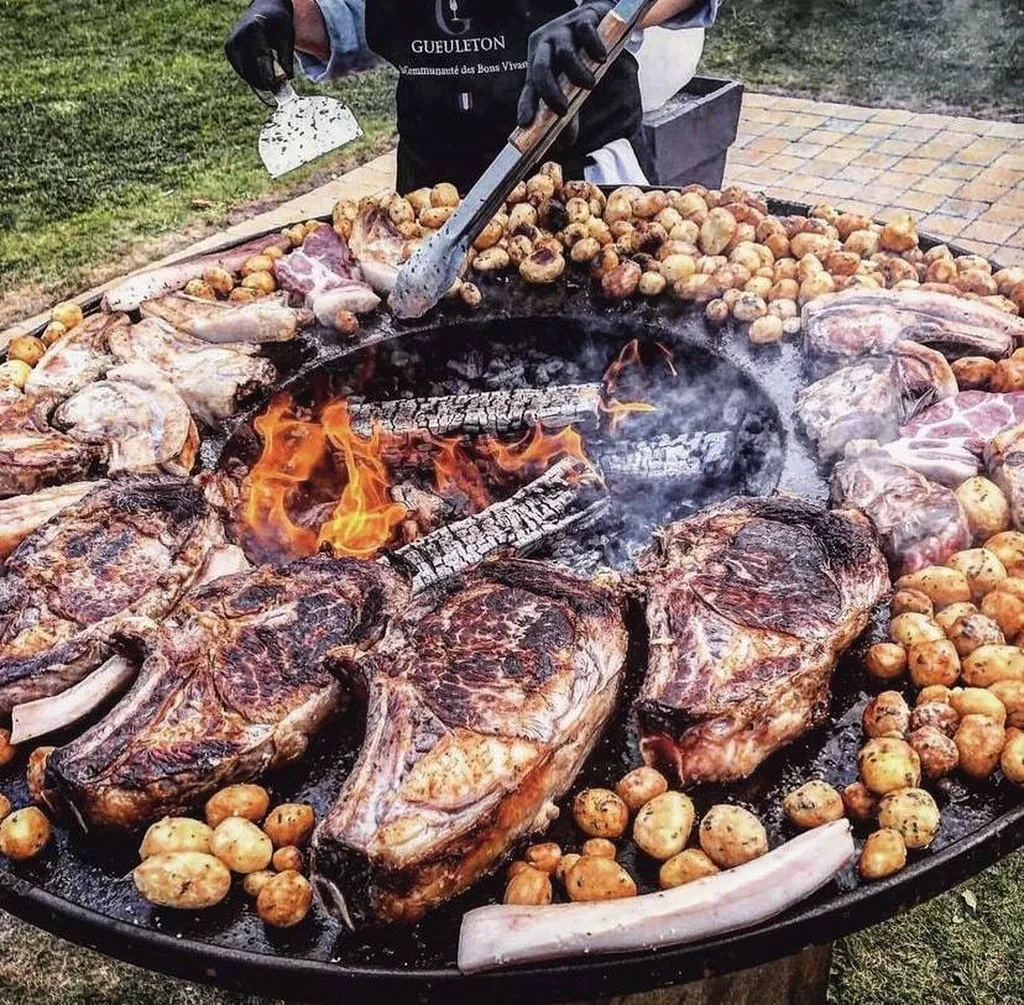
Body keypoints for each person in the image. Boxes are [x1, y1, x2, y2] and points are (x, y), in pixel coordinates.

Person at [226, 1, 720, 193]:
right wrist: (280, 14)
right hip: (431, 202)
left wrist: (605, 17)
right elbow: (348, 18)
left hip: (585, 188)